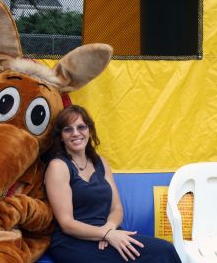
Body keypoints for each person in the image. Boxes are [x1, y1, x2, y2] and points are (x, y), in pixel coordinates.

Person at [44, 105, 181, 263]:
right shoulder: (58, 166)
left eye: (81, 127)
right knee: (160, 254)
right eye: (68, 129)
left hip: (108, 231)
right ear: (61, 136)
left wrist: (109, 229)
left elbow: (117, 208)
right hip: (72, 241)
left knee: (164, 250)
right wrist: (105, 234)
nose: (76, 133)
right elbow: (66, 223)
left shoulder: (100, 162)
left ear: (89, 130)